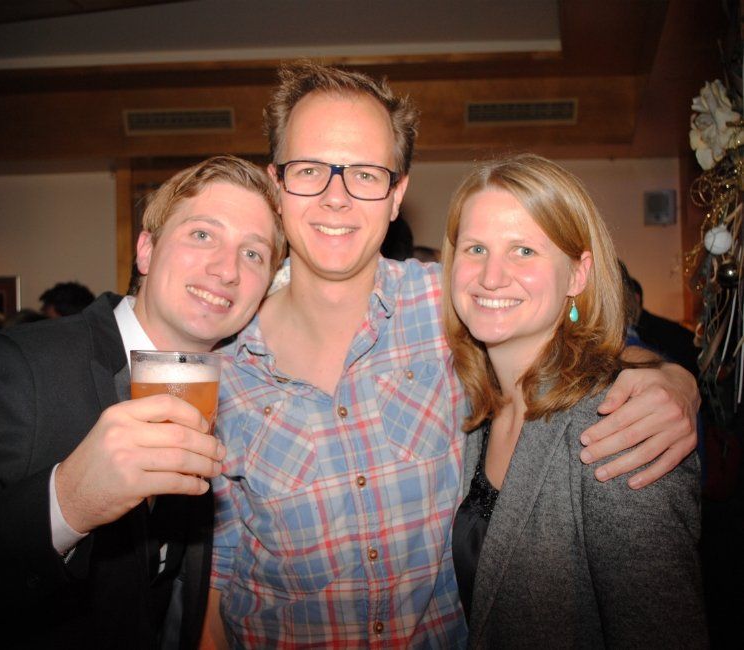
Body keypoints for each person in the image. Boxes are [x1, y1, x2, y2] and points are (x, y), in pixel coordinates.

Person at [203, 61, 700, 647]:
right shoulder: (221, 366)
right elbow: (219, 573)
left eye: (365, 174)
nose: (336, 197)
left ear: (397, 194)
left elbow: (571, 342)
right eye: (310, 170)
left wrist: (671, 379)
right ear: (277, 187)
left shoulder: (453, 308)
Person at [0, 155, 286, 649]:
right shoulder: (15, 365)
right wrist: (67, 502)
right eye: (203, 234)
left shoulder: (232, 392)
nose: (226, 269)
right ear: (146, 250)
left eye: (253, 254)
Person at [447, 154, 706, 647]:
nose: (491, 276)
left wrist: (676, 378)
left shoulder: (621, 427)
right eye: (476, 248)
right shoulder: (473, 405)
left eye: (524, 250)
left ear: (577, 275)